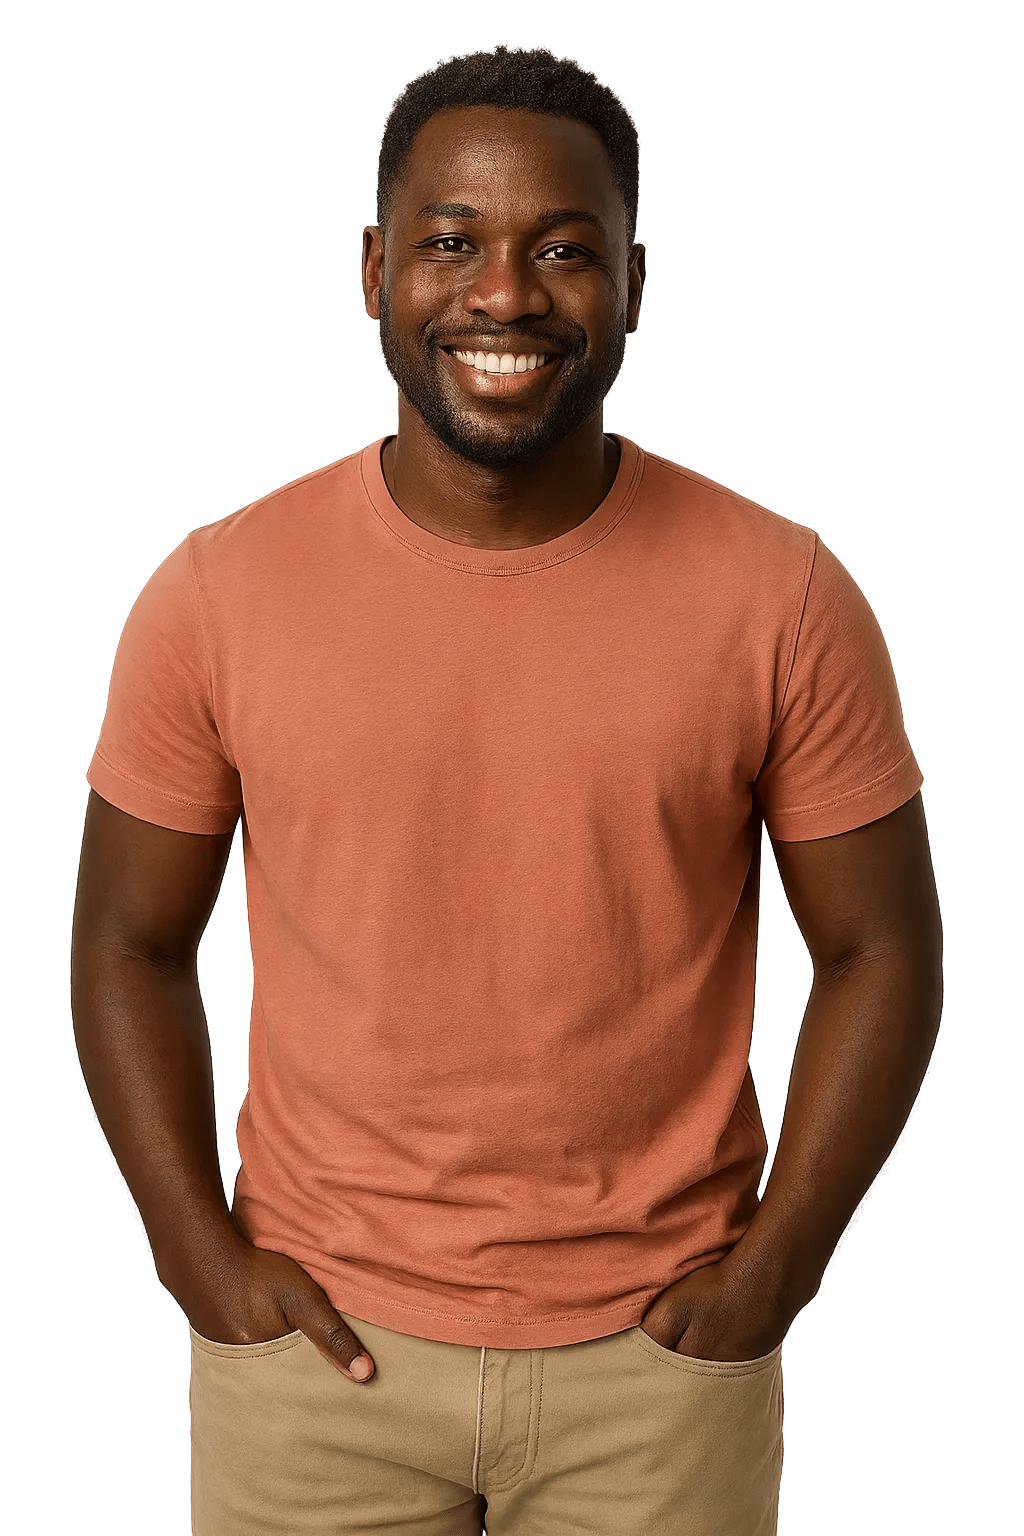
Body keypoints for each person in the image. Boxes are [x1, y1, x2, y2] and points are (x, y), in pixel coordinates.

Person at [70, 42, 943, 1536]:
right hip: (317, 1365)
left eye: (562, 250)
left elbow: (883, 950)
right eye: (451, 243)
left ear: (634, 285)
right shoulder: (216, 592)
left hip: (658, 1371)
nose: (505, 295)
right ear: (374, 271)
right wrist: (193, 1257)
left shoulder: (784, 593)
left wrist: (776, 1273)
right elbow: (125, 944)